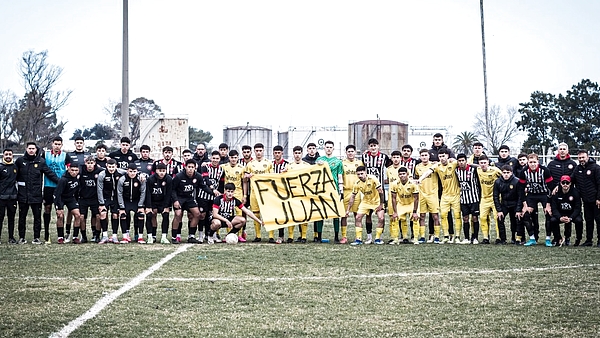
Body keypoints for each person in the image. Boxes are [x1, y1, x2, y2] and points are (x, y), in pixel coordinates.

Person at [16, 142, 59, 244]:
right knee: (22, 217)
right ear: (26, 149)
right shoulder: (20, 161)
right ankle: (21, 237)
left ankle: (36, 237)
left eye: (33, 148)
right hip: (23, 195)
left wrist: (61, 182)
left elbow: (49, 174)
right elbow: (12, 175)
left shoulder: (41, 161)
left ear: (36, 150)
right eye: (29, 148)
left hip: (36, 195)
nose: (31, 150)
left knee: (37, 217)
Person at [422, 148, 462, 243]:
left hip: (455, 194)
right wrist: (420, 179)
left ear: (447, 156)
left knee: (457, 216)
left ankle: (457, 236)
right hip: (445, 195)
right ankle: (446, 236)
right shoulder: (437, 166)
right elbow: (428, 172)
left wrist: (455, 160)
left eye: (443, 156)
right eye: (440, 156)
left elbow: (465, 164)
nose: (442, 158)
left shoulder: (453, 164)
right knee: (443, 215)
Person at [171, 159, 211, 244]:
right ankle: (174, 237)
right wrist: (175, 200)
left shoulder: (198, 176)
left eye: (192, 167)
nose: (190, 169)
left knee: (197, 214)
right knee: (178, 214)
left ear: (195, 168)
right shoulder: (179, 176)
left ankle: (191, 236)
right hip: (179, 198)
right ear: (185, 167)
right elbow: (172, 189)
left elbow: (203, 187)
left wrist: (213, 192)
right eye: (189, 167)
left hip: (189, 198)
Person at [517, 153, 553, 247]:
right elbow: (521, 189)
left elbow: (551, 187)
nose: (532, 164)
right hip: (531, 195)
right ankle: (532, 238)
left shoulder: (545, 170)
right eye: (530, 162)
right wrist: (525, 205)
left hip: (544, 194)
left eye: (534, 162)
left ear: (538, 162)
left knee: (548, 213)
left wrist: (548, 204)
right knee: (525, 214)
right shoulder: (523, 172)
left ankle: (548, 239)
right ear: (528, 163)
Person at [361, 138, 392, 243]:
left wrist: (388, 180)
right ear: (368, 147)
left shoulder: (384, 157)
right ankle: (369, 236)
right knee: (368, 214)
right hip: (368, 190)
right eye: (371, 146)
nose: (373, 148)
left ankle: (380, 237)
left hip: (380, 189)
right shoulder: (364, 156)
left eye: (375, 145)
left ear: (378, 146)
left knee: (381, 215)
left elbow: (392, 167)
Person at [43, 136, 73, 242]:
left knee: (59, 211)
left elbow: (70, 170)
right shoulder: (45, 155)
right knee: (47, 208)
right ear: (52, 144)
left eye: (59, 144)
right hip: (48, 186)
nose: (57, 146)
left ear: (61, 145)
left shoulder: (65, 156)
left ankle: (61, 235)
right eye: (55, 144)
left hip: (60, 188)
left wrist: (63, 182)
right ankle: (46, 234)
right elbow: (43, 169)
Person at [546, 142, 577, 244]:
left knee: (568, 213)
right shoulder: (551, 164)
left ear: (567, 151)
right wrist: (554, 188)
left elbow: (573, 179)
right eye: (560, 149)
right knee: (554, 217)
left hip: (569, 193)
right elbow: (548, 180)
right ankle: (557, 237)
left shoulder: (573, 164)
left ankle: (567, 237)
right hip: (556, 195)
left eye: (564, 149)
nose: (562, 150)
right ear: (558, 151)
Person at [346, 166, 385, 245]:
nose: (360, 176)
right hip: (366, 202)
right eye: (358, 174)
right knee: (358, 217)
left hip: (376, 201)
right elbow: (353, 196)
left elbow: (381, 191)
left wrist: (381, 204)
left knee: (381, 218)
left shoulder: (373, 178)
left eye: (361, 173)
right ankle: (358, 239)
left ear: (365, 173)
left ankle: (377, 239)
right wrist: (347, 210)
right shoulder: (357, 183)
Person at [314, 141, 344, 243]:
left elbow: (340, 176)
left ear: (333, 148)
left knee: (335, 213)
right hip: (322, 190)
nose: (329, 149)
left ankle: (336, 236)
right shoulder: (319, 160)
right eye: (327, 147)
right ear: (324, 148)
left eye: (330, 147)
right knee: (320, 213)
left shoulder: (338, 161)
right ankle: (319, 236)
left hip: (334, 189)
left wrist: (341, 191)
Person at [570, 149, 600, 247]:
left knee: (599, 220)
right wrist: (559, 186)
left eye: (583, 157)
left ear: (587, 157)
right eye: (579, 158)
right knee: (589, 220)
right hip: (586, 201)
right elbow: (571, 180)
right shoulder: (577, 169)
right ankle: (589, 240)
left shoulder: (595, 168)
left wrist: (599, 198)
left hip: (596, 200)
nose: (581, 159)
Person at [244, 143, 273, 242]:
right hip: (254, 193)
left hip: (265, 193)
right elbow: (245, 178)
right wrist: (247, 176)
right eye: (257, 151)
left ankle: (271, 236)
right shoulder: (250, 164)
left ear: (263, 151)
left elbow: (273, 178)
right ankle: (258, 236)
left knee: (268, 214)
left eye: (260, 150)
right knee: (256, 214)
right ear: (254, 151)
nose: (259, 152)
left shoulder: (268, 163)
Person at [197, 151, 225, 243]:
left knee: (212, 216)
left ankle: (210, 235)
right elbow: (206, 179)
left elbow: (221, 183)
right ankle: (200, 236)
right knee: (202, 215)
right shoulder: (205, 167)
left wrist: (220, 194)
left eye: (217, 158)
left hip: (214, 197)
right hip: (203, 195)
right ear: (210, 158)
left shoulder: (221, 170)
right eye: (214, 158)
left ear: (220, 159)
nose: (215, 160)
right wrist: (213, 189)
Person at [97, 159, 126, 244]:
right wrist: (101, 203)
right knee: (103, 214)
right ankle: (104, 235)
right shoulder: (102, 174)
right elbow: (99, 189)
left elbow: (131, 172)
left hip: (116, 198)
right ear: (106, 166)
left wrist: (141, 175)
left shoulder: (121, 172)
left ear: (116, 166)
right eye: (109, 167)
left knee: (115, 215)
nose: (111, 169)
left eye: (113, 167)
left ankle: (114, 236)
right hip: (106, 197)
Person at [414, 149, 440, 243]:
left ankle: (436, 236)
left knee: (435, 216)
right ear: (420, 157)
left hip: (432, 194)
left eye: (426, 155)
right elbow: (416, 179)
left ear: (429, 156)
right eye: (422, 155)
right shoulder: (417, 167)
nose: (424, 157)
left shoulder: (434, 166)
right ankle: (422, 236)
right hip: (421, 194)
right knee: (422, 216)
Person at [116, 163, 147, 243]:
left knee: (140, 215)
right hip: (126, 201)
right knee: (123, 215)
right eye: (130, 171)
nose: (132, 173)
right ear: (127, 171)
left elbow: (143, 192)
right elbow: (119, 193)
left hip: (136, 201)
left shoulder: (140, 179)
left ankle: (140, 237)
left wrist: (140, 205)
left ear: (137, 171)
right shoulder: (122, 179)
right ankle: (125, 237)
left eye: (134, 171)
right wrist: (121, 207)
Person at [144, 162, 173, 244]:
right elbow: (148, 193)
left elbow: (169, 194)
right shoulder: (150, 179)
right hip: (153, 201)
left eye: (164, 171)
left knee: (166, 215)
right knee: (150, 215)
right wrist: (148, 206)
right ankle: (151, 236)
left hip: (163, 201)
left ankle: (164, 237)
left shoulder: (168, 179)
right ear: (156, 171)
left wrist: (166, 206)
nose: (162, 173)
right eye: (160, 170)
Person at [222, 149, 247, 242]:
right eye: (232, 157)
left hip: (238, 193)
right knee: (227, 214)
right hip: (227, 194)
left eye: (235, 157)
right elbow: (214, 165)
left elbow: (244, 182)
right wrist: (206, 164)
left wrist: (244, 195)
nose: (233, 159)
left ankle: (239, 235)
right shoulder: (224, 167)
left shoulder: (242, 168)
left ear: (238, 158)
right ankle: (228, 235)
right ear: (229, 158)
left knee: (239, 214)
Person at [476, 154, 502, 244]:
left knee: (496, 218)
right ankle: (485, 237)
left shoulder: (495, 170)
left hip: (495, 198)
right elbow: (471, 164)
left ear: (488, 163)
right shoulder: (478, 170)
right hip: (484, 198)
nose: (483, 164)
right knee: (483, 217)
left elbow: (505, 176)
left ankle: (499, 237)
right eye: (481, 163)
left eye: (484, 163)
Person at [550, 175, 582, 247]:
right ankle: (557, 238)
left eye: (567, 183)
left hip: (572, 213)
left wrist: (571, 218)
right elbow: (554, 208)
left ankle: (578, 239)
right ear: (560, 183)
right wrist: (559, 217)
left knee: (579, 220)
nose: (565, 185)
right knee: (553, 220)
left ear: (570, 183)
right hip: (561, 213)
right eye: (563, 183)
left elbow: (578, 208)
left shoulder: (575, 193)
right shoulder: (556, 193)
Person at [455, 153, 481, 244]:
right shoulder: (456, 170)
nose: (461, 162)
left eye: (463, 160)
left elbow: (480, 168)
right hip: (464, 199)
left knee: (475, 218)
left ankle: (475, 238)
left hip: (474, 198)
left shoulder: (473, 169)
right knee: (465, 218)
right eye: (459, 161)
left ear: (466, 161)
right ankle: (466, 238)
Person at [288, 146, 312, 243]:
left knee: (304, 215)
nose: (297, 155)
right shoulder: (289, 166)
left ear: (302, 154)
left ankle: (304, 236)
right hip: (292, 194)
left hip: (303, 193)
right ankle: (290, 237)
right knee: (292, 215)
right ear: (293, 154)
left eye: (299, 153)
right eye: (296, 153)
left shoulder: (307, 166)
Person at [390, 167, 419, 244]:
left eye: (404, 174)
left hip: (411, 203)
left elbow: (416, 198)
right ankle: (398, 238)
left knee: (415, 218)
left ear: (407, 174)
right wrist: (395, 212)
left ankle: (415, 238)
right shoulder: (395, 184)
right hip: (401, 204)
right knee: (395, 218)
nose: (402, 176)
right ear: (398, 175)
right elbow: (393, 198)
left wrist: (415, 211)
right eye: (400, 174)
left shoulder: (413, 184)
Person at [341, 144, 364, 244]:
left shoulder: (359, 163)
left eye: (352, 151)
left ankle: (358, 237)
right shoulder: (342, 163)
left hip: (357, 192)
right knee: (343, 215)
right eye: (348, 151)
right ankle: (344, 236)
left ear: (355, 152)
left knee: (357, 215)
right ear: (346, 153)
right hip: (346, 191)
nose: (350, 153)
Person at [78, 156, 104, 242]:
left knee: (97, 216)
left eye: (91, 163)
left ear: (94, 163)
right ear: (85, 163)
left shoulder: (99, 171)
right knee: (81, 217)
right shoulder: (81, 170)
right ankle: (83, 236)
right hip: (83, 198)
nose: (90, 165)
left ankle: (96, 235)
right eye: (88, 163)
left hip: (95, 198)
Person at [54, 165, 82, 244]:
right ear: (69, 170)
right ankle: (60, 237)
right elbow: (57, 194)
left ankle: (75, 237)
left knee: (78, 215)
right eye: (72, 170)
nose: (74, 172)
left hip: (70, 198)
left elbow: (77, 191)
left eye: (76, 170)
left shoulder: (78, 178)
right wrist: (58, 207)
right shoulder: (63, 180)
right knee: (60, 216)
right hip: (61, 198)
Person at [493, 165, 520, 245]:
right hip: (504, 204)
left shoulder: (516, 181)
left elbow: (520, 196)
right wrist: (499, 210)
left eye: (508, 173)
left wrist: (518, 209)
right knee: (500, 218)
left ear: (511, 173)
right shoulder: (497, 182)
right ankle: (503, 239)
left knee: (515, 220)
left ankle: (515, 238)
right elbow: (495, 196)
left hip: (514, 203)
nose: (506, 174)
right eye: (504, 173)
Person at [271, 145, 291, 243]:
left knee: (283, 214)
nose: (277, 154)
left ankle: (282, 235)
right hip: (272, 193)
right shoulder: (270, 165)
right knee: (273, 214)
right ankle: (272, 236)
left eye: (279, 153)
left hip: (284, 193)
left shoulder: (287, 165)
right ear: (273, 153)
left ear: (282, 153)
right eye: (276, 153)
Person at [385, 150, 405, 243]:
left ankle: (404, 236)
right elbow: (386, 181)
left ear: (400, 158)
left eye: (397, 157)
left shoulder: (404, 169)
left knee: (403, 217)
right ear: (391, 158)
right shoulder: (388, 169)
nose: (396, 159)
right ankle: (393, 237)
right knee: (392, 216)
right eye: (394, 157)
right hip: (391, 196)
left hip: (402, 197)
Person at [0, 149, 18, 244]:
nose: (8, 156)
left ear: (12, 156)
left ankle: (11, 238)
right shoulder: (1, 167)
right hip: (1, 198)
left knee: (11, 219)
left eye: (10, 154)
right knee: (0, 218)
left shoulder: (15, 167)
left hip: (12, 198)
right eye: (6, 154)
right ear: (3, 155)